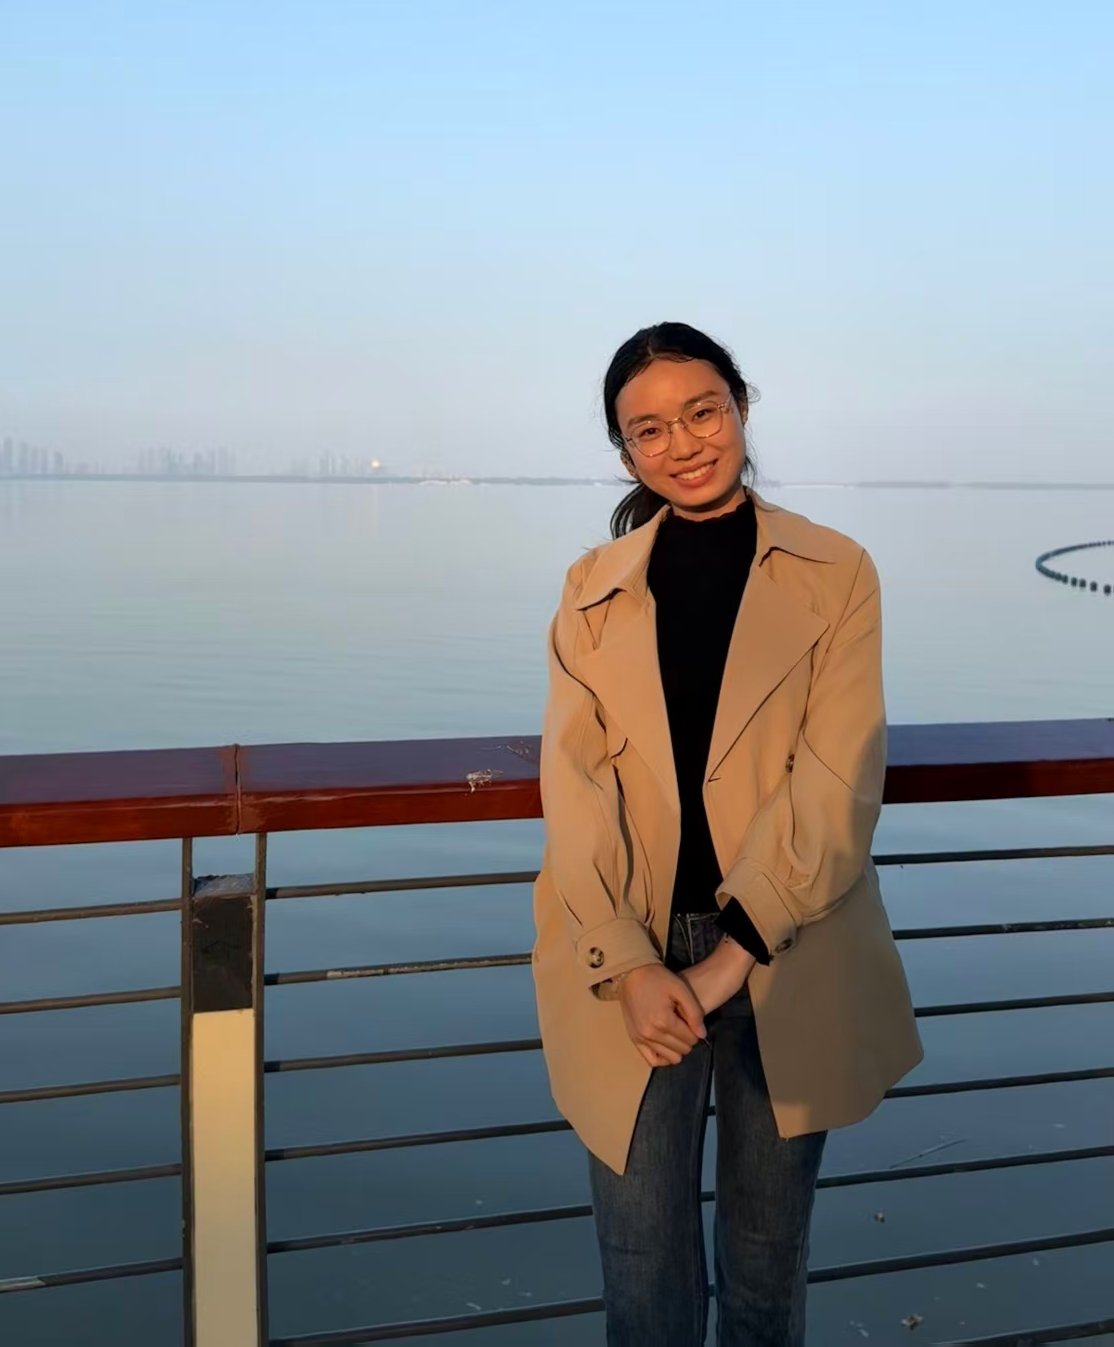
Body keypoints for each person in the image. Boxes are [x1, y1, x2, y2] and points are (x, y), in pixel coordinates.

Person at [531, 322, 923, 1346]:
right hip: (632, 960)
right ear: (625, 452)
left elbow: (837, 779)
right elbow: (574, 786)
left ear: (740, 407)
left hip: (789, 947)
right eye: (649, 429)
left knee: (764, 1271)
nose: (683, 444)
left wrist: (727, 960)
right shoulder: (591, 588)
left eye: (701, 411)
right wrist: (628, 963)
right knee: (641, 1278)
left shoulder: (835, 571)